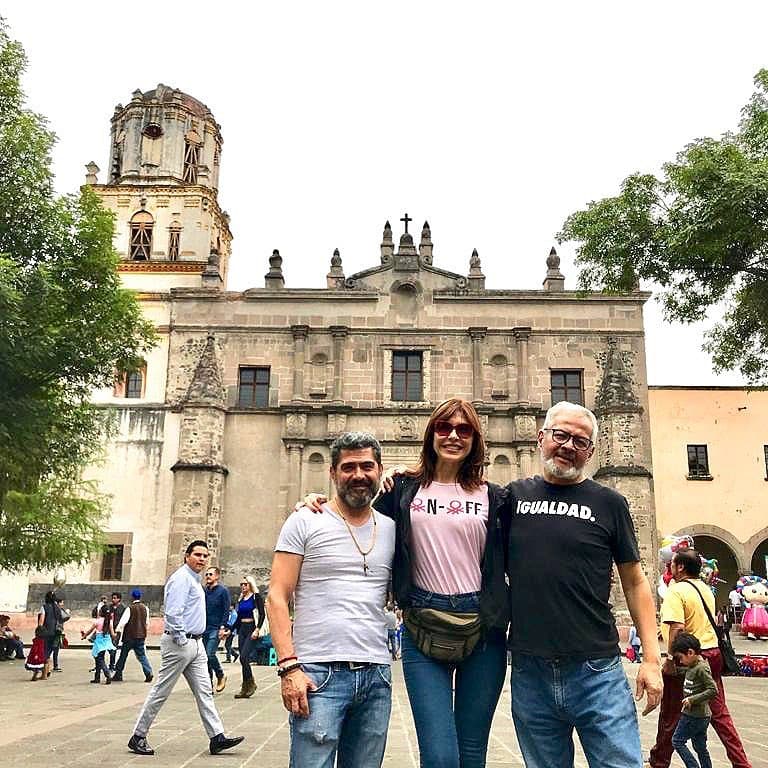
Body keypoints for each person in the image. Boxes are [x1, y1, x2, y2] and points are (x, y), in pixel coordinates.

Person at [304, 400, 510, 768]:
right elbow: (354, 511)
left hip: (483, 628)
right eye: (444, 428)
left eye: (464, 430)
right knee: (440, 755)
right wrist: (315, 500)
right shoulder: (401, 490)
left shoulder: (495, 497)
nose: (453, 436)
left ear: (475, 439)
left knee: (472, 753)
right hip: (423, 625)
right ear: (431, 434)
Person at [506, 401, 662, 768]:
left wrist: (653, 659)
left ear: (591, 451)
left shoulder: (609, 503)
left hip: (597, 671)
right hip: (531, 671)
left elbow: (635, 581)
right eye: (560, 434)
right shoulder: (512, 497)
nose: (568, 445)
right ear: (542, 437)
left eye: (580, 441)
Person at [267, 432, 396, 768]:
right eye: (348, 467)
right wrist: (289, 668)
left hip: (376, 675)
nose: (358, 475)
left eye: (367, 466)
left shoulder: (392, 528)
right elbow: (277, 596)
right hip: (316, 675)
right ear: (333, 473)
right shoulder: (305, 520)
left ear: (379, 471)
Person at [127, 540, 244, 757]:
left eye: (205, 556)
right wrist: (181, 638)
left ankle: (216, 736)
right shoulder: (181, 579)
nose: (201, 559)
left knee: (204, 692)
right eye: (197, 554)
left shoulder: (194, 580)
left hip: (196, 644)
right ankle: (138, 735)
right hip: (180, 643)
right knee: (161, 690)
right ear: (187, 556)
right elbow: (173, 613)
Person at [649, 547, 752, 768]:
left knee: (671, 713)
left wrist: (669, 659)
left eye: (673, 564)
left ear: (681, 567)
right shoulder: (705, 589)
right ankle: (741, 762)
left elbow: (677, 628)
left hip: (687, 656)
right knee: (720, 713)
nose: (670, 567)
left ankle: (659, 761)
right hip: (712, 653)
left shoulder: (676, 591)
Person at [670, 632, 717, 768]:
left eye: (680, 657)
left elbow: (713, 690)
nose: (680, 661)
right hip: (701, 715)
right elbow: (686, 672)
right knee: (700, 746)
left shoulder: (701, 668)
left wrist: (692, 699)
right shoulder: (692, 666)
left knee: (677, 741)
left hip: (694, 715)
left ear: (690, 652)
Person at [232, 575, 265, 699]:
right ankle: (245, 687)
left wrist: (257, 629)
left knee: (245, 656)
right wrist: (229, 630)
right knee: (242, 659)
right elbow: (238, 619)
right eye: (241, 584)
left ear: (250, 585)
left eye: (245, 584)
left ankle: (250, 684)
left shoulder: (256, 597)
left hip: (252, 628)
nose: (243, 586)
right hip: (242, 630)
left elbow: (262, 614)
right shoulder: (241, 599)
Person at [113, 589, 153, 682]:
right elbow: (147, 622)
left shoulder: (129, 608)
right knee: (142, 656)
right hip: (141, 636)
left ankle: (118, 674)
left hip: (129, 637)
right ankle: (148, 672)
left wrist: (116, 631)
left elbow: (123, 622)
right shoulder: (145, 608)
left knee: (123, 656)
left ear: (132, 597)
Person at [203, 566, 231, 693]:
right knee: (204, 658)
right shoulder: (204, 591)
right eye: (206, 574)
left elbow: (226, 610)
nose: (208, 576)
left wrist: (223, 627)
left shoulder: (223, 591)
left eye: (210, 574)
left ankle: (220, 674)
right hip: (204, 628)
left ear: (217, 576)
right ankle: (208, 686)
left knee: (210, 654)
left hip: (216, 627)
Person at [80, 604, 115, 684]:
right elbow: (113, 634)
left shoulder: (97, 621)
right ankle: (97, 677)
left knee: (99, 659)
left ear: (100, 612)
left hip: (99, 641)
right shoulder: (109, 622)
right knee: (99, 658)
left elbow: (90, 631)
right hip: (107, 641)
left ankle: (107, 674)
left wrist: (84, 636)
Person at [36, 590, 61, 679]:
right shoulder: (57, 608)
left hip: (46, 633)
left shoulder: (44, 607)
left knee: (44, 653)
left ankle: (44, 674)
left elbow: (41, 622)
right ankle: (48, 670)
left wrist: (38, 632)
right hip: (56, 633)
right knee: (48, 652)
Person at [107, 592, 126, 672]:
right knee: (109, 646)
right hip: (108, 629)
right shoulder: (109, 607)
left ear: (119, 599)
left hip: (117, 630)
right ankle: (110, 664)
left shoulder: (122, 608)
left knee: (114, 646)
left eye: (115, 598)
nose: (113, 600)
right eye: (113, 598)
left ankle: (112, 664)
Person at [51, 594, 70, 672]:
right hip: (57, 631)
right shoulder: (59, 610)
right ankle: (55, 666)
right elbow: (66, 617)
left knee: (52, 649)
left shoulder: (53, 609)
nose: (63, 604)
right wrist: (68, 612)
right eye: (62, 603)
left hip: (54, 631)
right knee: (55, 649)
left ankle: (50, 665)